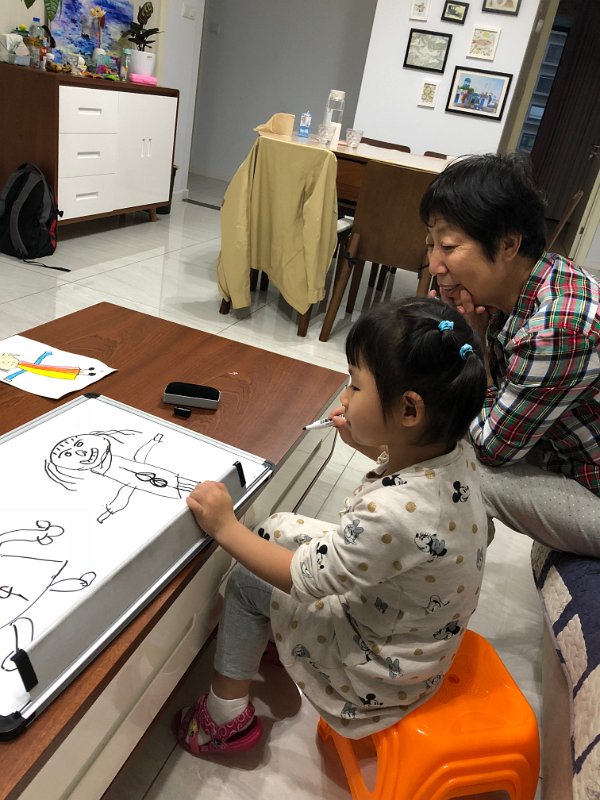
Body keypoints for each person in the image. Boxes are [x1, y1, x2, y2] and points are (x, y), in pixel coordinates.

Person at [173, 297, 488, 755]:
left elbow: (304, 579)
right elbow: (406, 487)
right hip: (413, 640)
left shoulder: (392, 514)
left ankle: (225, 718)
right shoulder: (456, 455)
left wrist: (225, 526)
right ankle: (274, 633)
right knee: (279, 527)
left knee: (246, 580)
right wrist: (366, 443)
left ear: (409, 411)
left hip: (376, 673)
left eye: (355, 386)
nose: (344, 399)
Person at [420, 152, 600, 557]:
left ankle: (440, 581)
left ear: (508, 244)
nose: (434, 265)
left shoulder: (556, 328)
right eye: (431, 244)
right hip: (564, 453)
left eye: (448, 246)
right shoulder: (535, 279)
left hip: (592, 484)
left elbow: (491, 448)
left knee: (460, 470)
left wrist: (474, 342)